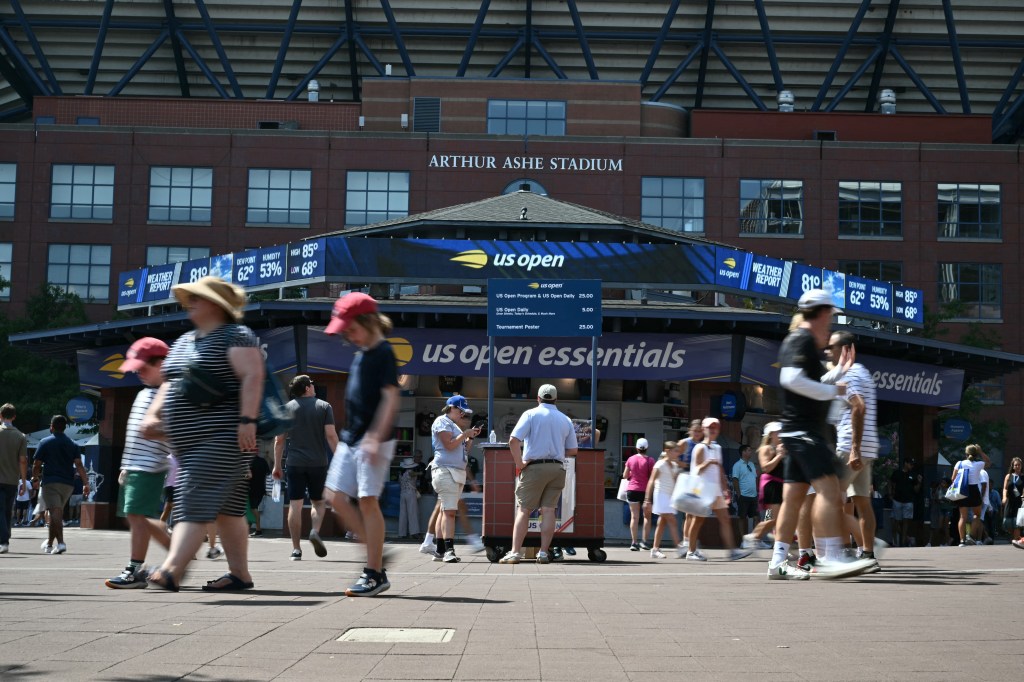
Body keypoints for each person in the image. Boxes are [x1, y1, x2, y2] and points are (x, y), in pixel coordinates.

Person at [141, 276, 264, 592]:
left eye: (197, 297)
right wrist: (154, 416)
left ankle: (172, 569)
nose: (190, 303)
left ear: (216, 304)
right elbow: (168, 384)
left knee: (192, 501)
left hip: (222, 439)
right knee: (229, 510)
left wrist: (248, 420)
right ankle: (240, 575)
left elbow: (252, 375)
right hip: (190, 444)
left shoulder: (235, 335)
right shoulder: (184, 340)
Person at [766, 289, 875, 580]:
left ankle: (777, 563)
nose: (831, 324)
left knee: (793, 500)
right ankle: (832, 557)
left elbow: (807, 381)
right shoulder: (800, 339)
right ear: (823, 313)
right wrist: (834, 391)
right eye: (831, 316)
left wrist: (838, 371)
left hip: (796, 432)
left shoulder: (806, 345)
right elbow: (790, 379)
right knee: (830, 492)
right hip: (803, 432)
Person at [322, 292, 400, 597]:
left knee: (367, 500)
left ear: (368, 322)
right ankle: (376, 555)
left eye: (351, 329)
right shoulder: (362, 354)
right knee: (334, 496)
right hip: (351, 437)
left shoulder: (384, 353)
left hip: (373, 440)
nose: (347, 335)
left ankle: (374, 572)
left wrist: (375, 435)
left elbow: (391, 399)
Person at [105, 337, 174, 589]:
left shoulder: (169, 393)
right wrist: (125, 465)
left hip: (151, 466)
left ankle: (136, 568)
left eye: (143, 367)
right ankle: (177, 554)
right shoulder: (146, 392)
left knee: (137, 516)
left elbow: (175, 431)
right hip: (136, 466)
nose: (138, 372)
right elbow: (134, 433)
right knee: (135, 517)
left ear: (162, 363)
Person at [499, 384, 578, 564]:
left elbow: (513, 440)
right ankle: (543, 553)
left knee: (524, 509)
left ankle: (515, 552)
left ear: (538, 398)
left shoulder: (530, 414)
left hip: (534, 467)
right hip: (557, 468)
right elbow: (573, 450)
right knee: (549, 510)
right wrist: (556, 453)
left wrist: (520, 464)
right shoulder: (565, 419)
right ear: (556, 399)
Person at [824, 330, 881, 569]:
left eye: (832, 347)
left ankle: (837, 554)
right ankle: (867, 553)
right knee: (862, 503)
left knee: (828, 499)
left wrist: (855, 449)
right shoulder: (863, 372)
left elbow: (858, 406)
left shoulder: (850, 374)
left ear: (846, 349)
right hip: (868, 447)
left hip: (851, 446)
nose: (828, 351)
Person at [272, 374, 338, 561]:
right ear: (307, 388)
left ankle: (296, 549)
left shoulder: (286, 409)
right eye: (311, 384)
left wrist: (277, 465)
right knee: (318, 502)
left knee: (295, 504)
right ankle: (315, 531)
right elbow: (331, 436)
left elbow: (279, 440)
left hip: (294, 463)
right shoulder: (324, 407)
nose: (313, 386)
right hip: (318, 462)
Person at [684, 418, 751, 562]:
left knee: (725, 519)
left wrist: (725, 488)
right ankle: (691, 551)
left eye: (715, 427)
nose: (713, 430)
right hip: (702, 489)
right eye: (710, 427)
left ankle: (732, 551)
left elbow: (720, 469)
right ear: (704, 430)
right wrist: (708, 463)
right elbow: (695, 471)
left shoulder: (717, 447)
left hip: (715, 490)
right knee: (698, 520)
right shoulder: (700, 448)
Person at [428, 395, 482, 564]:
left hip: (454, 472)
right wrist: (465, 433)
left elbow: (464, 449)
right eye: (461, 410)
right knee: (450, 512)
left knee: (446, 510)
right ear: (452, 407)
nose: (462, 414)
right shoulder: (441, 421)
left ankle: (440, 549)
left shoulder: (454, 426)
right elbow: (449, 445)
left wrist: (470, 437)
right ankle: (449, 551)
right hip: (445, 471)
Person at [31, 415, 90, 555]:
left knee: (55, 513)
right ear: (65, 428)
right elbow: (79, 464)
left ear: (51, 427)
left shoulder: (45, 442)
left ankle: (61, 543)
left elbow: (37, 464)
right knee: (55, 512)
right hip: (68, 484)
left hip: (51, 482)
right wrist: (85, 483)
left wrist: (35, 478)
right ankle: (50, 544)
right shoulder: (73, 444)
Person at [743, 422, 785, 549]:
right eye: (778, 432)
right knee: (772, 518)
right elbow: (765, 467)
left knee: (775, 518)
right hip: (771, 486)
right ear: (771, 434)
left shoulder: (780, 448)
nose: (781, 435)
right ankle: (752, 537)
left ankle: (780, 547)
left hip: (779, 486)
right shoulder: (766, 448)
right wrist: (778, 456)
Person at [644, 441, 682, 558]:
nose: (677, 453)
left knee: (662, 523)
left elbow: (675, 482)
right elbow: (651, 481)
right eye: (675, 451)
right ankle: (680, 547)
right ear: (667, 451)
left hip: (670, 497)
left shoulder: (675, 466)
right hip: (661, 495)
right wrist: (647, 499)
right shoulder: (660, 464)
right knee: (672, 520)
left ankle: (655, 549)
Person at [0, 403, 29, 553]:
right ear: (14, 417)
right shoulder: (20, 436)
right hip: (12, 479)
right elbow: (23, 460)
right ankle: (5, 539)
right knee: (7, 510)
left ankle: (3, 540)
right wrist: (23, 481)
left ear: (0, 416)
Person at [951, 444, 991, 546]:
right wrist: (981, 451)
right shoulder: (978, 464)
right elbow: (989, 462)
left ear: (966, 454)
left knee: (962, 517)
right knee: (977, 515)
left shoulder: (959, 463)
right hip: (974, 491)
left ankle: (962, 541)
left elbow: (953, 479)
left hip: (963, 490)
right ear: (976, 454)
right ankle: (971, 536)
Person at [623, 437, 654, 551]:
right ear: (647, 448)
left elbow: (625, 475)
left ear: (636, 448)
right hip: (646, 491)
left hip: (632, 490)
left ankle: (634, 543)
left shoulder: (630, 459)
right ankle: (644, 542)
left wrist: (632, 474)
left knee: (634, 517)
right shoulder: (650, 460)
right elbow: (652, 477)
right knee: (647, 517)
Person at [677, 419, 704, 553]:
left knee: (694, 513)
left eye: (700, 431)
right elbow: (672, 456)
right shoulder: (685, 443)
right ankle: (687, 540)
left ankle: (688, 541)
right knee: (689, 513)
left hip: (697, 480)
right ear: (690, 430)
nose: (698, 433)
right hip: (687, 478)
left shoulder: (702, 445)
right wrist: (685, 465)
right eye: (695, 431)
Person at [730, 444, 759, 536]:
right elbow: (735, 480)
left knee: (756, 517)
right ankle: (743, 540)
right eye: (749, 450)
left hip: (753, 496)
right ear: (743, 452)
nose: (751, 452)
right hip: (743, 496)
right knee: (742, 517)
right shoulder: (737, 465)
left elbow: (755, 478)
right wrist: (739, 495)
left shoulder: (751, 464)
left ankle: (754, 538)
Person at [890, 460, 918, 547]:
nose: (912, 466)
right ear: (905, 463)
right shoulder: (897, 473)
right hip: (897, 500)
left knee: (906, 522)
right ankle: (896, 542)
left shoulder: (913, 475)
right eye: (910, 464)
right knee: (896, 522)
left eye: (913, 465)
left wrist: (919, 482)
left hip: (909, 501)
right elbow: (890, 482)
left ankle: (903, 543)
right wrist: (890, 494)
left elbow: (916, 490)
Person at [248, 451, 271, 537]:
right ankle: (250, 528)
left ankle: (258, 530)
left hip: (251, 489)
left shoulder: (249, 462)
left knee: (253, 508)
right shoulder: (263, 461)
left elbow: (248, 476)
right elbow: (268, 473)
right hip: (261, 489)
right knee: (252, 508)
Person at [397, 457, 420, 538]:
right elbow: (415, 474)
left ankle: (402, 533)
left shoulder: (401, 473)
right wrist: (420, 473)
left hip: (402, 493)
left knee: (403, 514)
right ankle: (414, 533)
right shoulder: (410, 472)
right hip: (410, 493)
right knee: (412, 513)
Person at [1003, 457, 1023, 548]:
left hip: (1019, 502)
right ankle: (1017, 538)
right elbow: (1005, 488)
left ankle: (1015, 540)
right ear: (1013, 466)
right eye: (1016, 465)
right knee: (1007, 522)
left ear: (1021, 466)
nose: (1017, 466)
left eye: (1019, 465)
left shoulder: (1023, 477)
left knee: (1017, 522)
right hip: (1010, 501)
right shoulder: (1009, 476)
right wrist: (1004, 497)